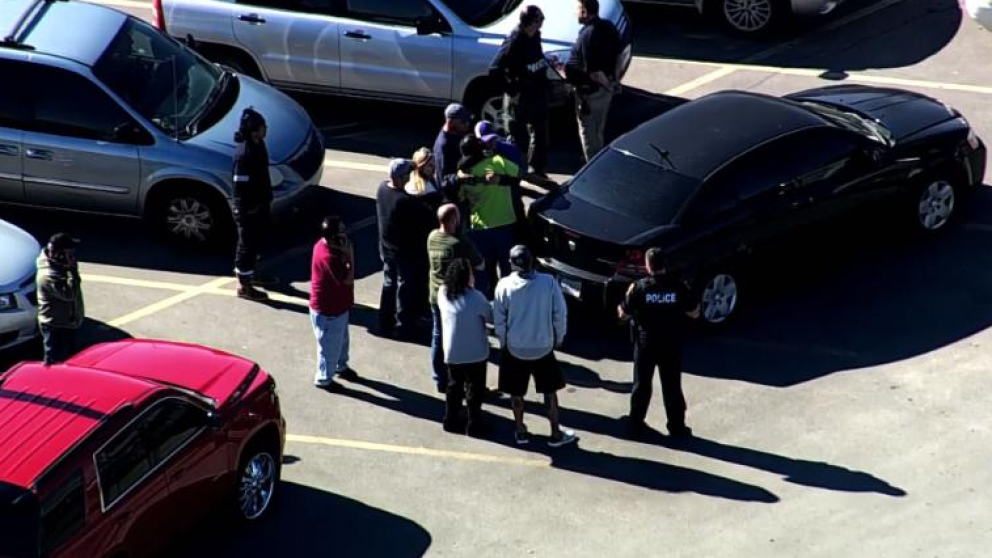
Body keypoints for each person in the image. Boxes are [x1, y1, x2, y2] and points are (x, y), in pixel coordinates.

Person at [494, 245, 577, 447]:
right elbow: (560, 314)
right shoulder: (548, 283)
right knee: (550, 393)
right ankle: (556, 433)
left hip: (515, 348)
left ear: (513, 263)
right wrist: (558, 337)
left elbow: (499, 319)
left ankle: (521, 431)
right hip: (543, 347)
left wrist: (504, 341)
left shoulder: (503, 285)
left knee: (516, 393)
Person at [617, 247, 700, 440]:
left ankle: (635, 425)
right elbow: (694, 312)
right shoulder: (679, 286)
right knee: (672, 387)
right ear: (665, 264)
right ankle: (677, 427)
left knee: (641, 386)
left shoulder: (639, 288)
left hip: (646, 344)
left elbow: (623, 313)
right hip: (671, 344)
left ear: (647, 265)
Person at [456, 135, 523, 297]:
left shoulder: (465, 173)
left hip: (479, 227)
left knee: (482, 273)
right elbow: (519, 173)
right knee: (508, 272)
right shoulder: (497, 162)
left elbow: (461, 197)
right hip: (504, 224)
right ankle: (508, 306)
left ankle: (484, 307)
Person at [428, 204, 484, 393]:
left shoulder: (432, 237)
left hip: (435, 295)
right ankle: (463, 380)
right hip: (455, 298)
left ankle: (439, 378)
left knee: (437, 336)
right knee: (461, 339)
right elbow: (481, 265)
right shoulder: (459, 244)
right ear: (453, 221)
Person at [489, 5, 550, 178]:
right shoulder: (514, 41)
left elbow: (536, 60)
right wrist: (512, 90)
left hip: (537, 94)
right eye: (540, 19)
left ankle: (537, 170)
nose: (542, 22)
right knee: (518, 137)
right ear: (531, 22)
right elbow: (494, 69)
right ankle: (515, 172)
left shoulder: (535, 36)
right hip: (520, 98)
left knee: (541, 133)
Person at [438, 258, 493, 436]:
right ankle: (474, 424)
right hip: (476, 353)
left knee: (454, 386)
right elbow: (489, 317)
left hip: (453, 352)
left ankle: (450, 420)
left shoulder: (443, 293)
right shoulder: (477, 298)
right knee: (475, 389)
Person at [565, 0, 622, 163]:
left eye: (577, 9)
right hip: (604, 90)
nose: (575, 13)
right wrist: (615, 80)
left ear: (584, 11)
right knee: (599, 128)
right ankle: (598, 158)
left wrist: (608, 85)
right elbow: (618, 55)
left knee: (589, 134)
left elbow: (594, 72)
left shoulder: (588, 35)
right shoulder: (608, 27)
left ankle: (593, 166)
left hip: (591, 93)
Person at [232, 107, 277, 301]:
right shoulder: (244, 154)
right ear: (254, 131)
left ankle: (253, 274)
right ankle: (244, 285)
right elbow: (240, 187)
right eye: (262, 127)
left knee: (256, 242)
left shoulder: (258, 144)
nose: (265, 129)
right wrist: (249, 207)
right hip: (249, 209)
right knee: (246, 246)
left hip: (260, 203)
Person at [309, 215, 358, 391]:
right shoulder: (330, 257)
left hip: (339, 307)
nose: (345, 236)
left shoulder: (322, 245)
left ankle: (341, 365)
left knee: (341, 342)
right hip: (328, 311)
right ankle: (324, 378)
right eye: (341, 233)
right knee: (328, 347)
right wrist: (349, 255)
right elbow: (348, 279)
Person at [376, 158, 423, 337]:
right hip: (402, 251)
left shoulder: (382, 189)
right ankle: (403, 324)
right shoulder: (405, 201)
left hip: (385, 248)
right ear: (401, 177)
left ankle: (384, 322)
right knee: (405, 286)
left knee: (389, 283)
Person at [36, 233, 85, 366]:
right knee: (55, 364)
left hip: (67, 322)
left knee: (72, 362)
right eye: (69, 254)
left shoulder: (58, 265)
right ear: (59, 254)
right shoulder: (49, 275)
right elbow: (70, 294)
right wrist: (72, 271)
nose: (73, 257)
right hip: (56, 327)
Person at [433, 103, 473, 189]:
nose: (467, 124)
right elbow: (443, 180)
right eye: (463, 122)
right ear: (450, 123)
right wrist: (459, 177)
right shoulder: (443, 146)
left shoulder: (456, 132)